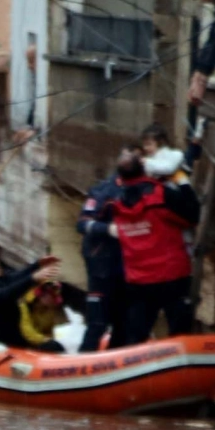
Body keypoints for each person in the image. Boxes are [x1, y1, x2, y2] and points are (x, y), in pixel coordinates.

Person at [110, 152, 201, 344]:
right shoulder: (160, 195)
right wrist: (183, 182)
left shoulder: (116, 201)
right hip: (171, 276)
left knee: (135, 337)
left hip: (138, 279)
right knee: (179, 336)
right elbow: (192, 215)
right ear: (143, 168)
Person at [76, 151, 133, 352]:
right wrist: (108, 229)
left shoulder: (144, 190)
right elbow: (82, 223)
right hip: (101, 268)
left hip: (128, 270)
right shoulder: (104, 192)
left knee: (124, 325)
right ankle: (81, 368)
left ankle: (116, 370)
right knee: (97, 323)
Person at [0, 252, 64, 348]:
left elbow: (17, 277)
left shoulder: (2, 279)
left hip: (15, 338)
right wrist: (33, 278)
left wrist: (37, 264)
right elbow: (5, 294)